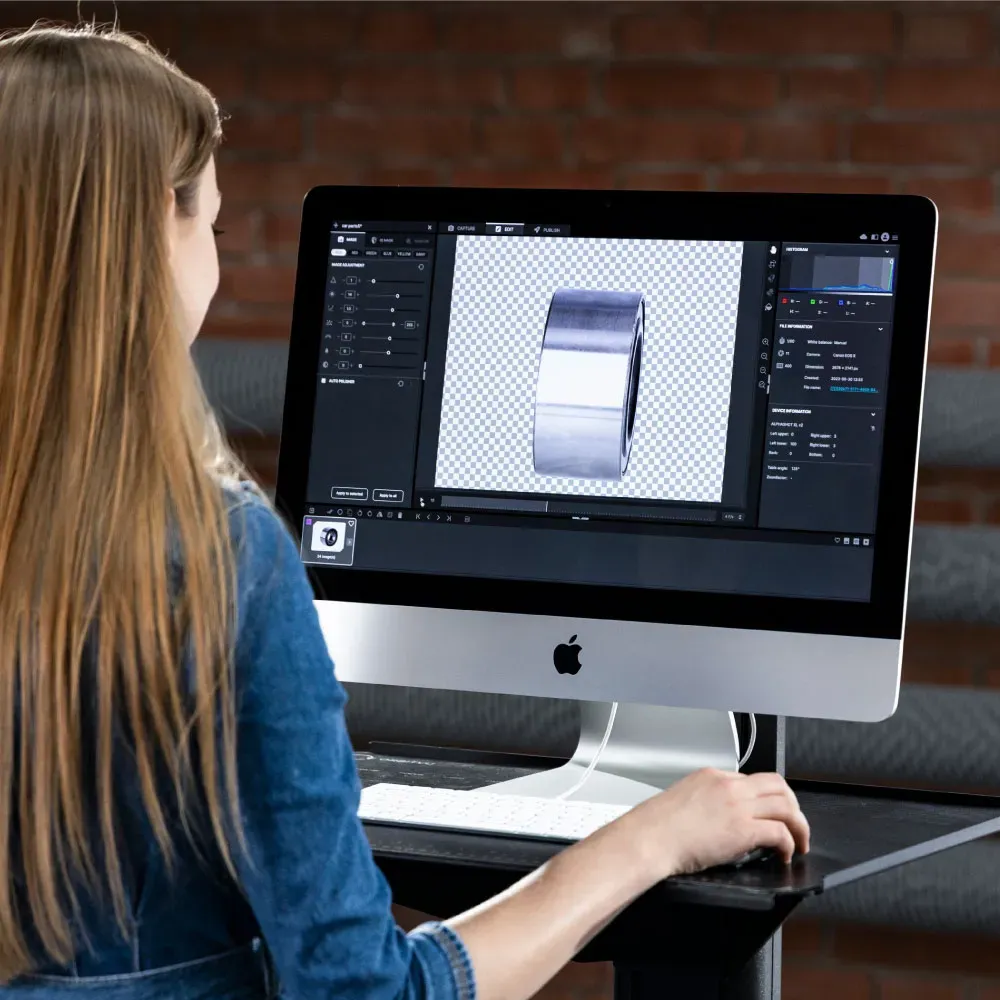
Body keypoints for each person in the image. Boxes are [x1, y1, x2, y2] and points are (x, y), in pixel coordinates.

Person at [0, 23, 810, 1000]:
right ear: (150, 243)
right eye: (210, 226)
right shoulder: (220, 563)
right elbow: (362, 994)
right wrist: (649, 837)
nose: (215, 257)